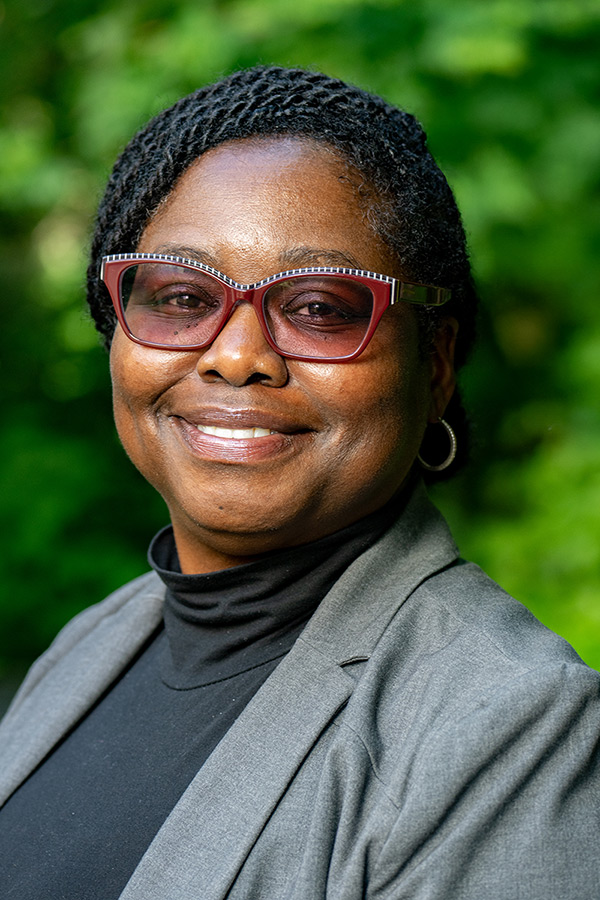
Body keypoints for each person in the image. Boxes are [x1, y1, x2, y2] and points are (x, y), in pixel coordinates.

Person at [0, 66, 598, 900]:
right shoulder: (91, 645)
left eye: (320, 307)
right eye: (179, 295)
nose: (237, 354)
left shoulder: (509, 723)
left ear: (434, 363)